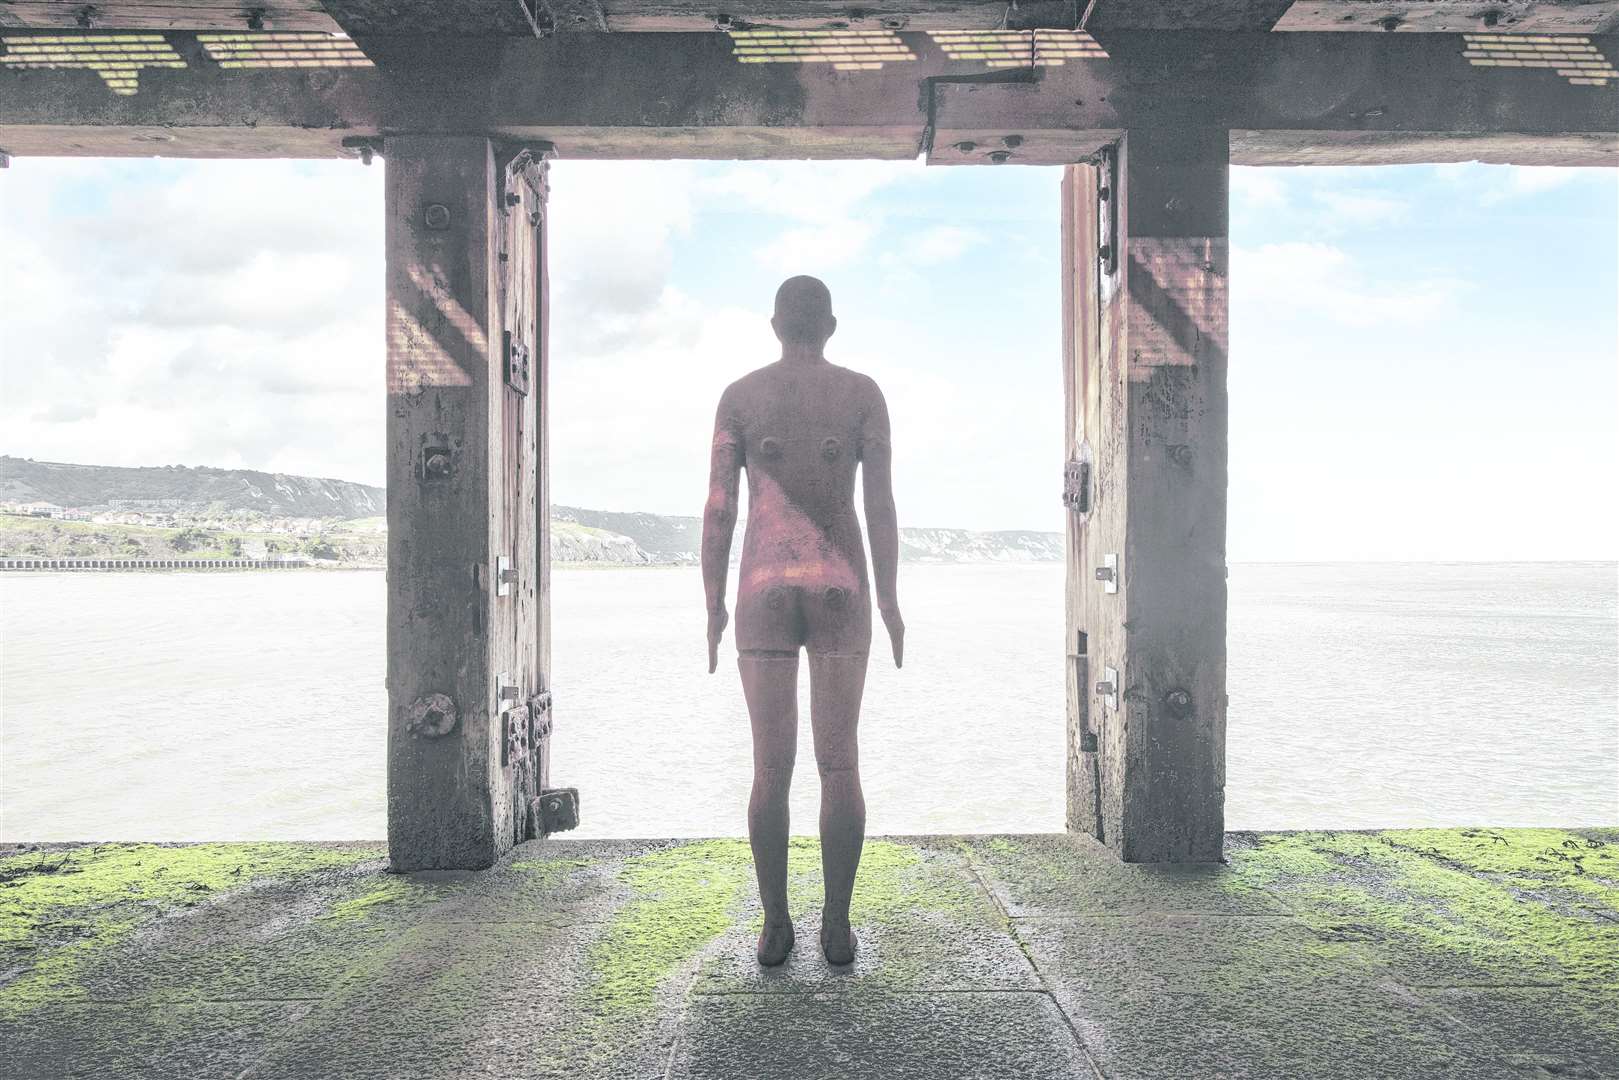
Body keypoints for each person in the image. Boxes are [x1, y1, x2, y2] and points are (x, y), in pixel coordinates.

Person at [701, 275, 904, 966]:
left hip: (762, 583)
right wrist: (888, 598)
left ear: (774, 324)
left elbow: (719, 510)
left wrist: (712, 602)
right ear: (831, 325)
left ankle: (775, 927)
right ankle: (837, 930)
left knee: (769, 767)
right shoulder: (860, 393)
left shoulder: (740, 395)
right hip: (841, 582)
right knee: (838, 762)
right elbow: (879, 507)